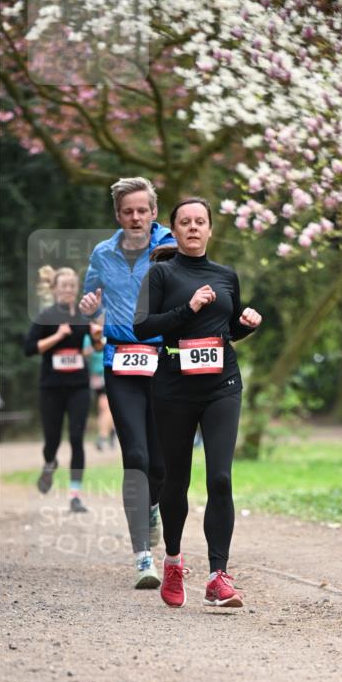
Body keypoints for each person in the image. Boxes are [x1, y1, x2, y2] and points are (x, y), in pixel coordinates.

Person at [133, 197, 262, 609]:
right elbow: (142, 328)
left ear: (210, 229)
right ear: (175, 230)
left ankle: (217, 577)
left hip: (222, 384)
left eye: (200, 221)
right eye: (185, 222)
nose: (192, 227)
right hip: (173, 387)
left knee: (220, 478)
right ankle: (172, 560)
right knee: (177, 481)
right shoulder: (160, 273)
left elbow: (224, 330)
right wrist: (187, 307)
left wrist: (245, 324)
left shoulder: (226, 275)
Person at [78, 177, 175, 589]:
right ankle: (142, 557)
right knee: (134, 455)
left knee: (160, 464)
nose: (135, 217)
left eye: (142, 210)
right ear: (118, 215)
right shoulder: (103, 253)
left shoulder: (171, 248)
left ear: (153, 212)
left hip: (164, 363)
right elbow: (89, 302)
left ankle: (152, 506)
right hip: (120, 363)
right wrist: (90, 311)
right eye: (127, 211)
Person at [24, 266, 90, 513]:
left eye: (72, 286)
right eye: (63, 286)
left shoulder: (84, 317)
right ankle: (49, 463)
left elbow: (93, 347)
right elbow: (29, 348)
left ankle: (75, 495)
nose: (68, 290)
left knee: (76, 438)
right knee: (52, 439)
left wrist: (94, 340)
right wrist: (58, 336)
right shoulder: (45, 316)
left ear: (76, 289)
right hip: (51, 387)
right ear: (54, 289)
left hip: (79, 387)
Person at [83, 321, 115, 450]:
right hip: (96, 376)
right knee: (104, 407)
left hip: (111, 373)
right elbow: (84, 352)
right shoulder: (89, 335)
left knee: (105, 405)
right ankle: (112, 430)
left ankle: (102, 437)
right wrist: (97, 343)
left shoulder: (112, 331)